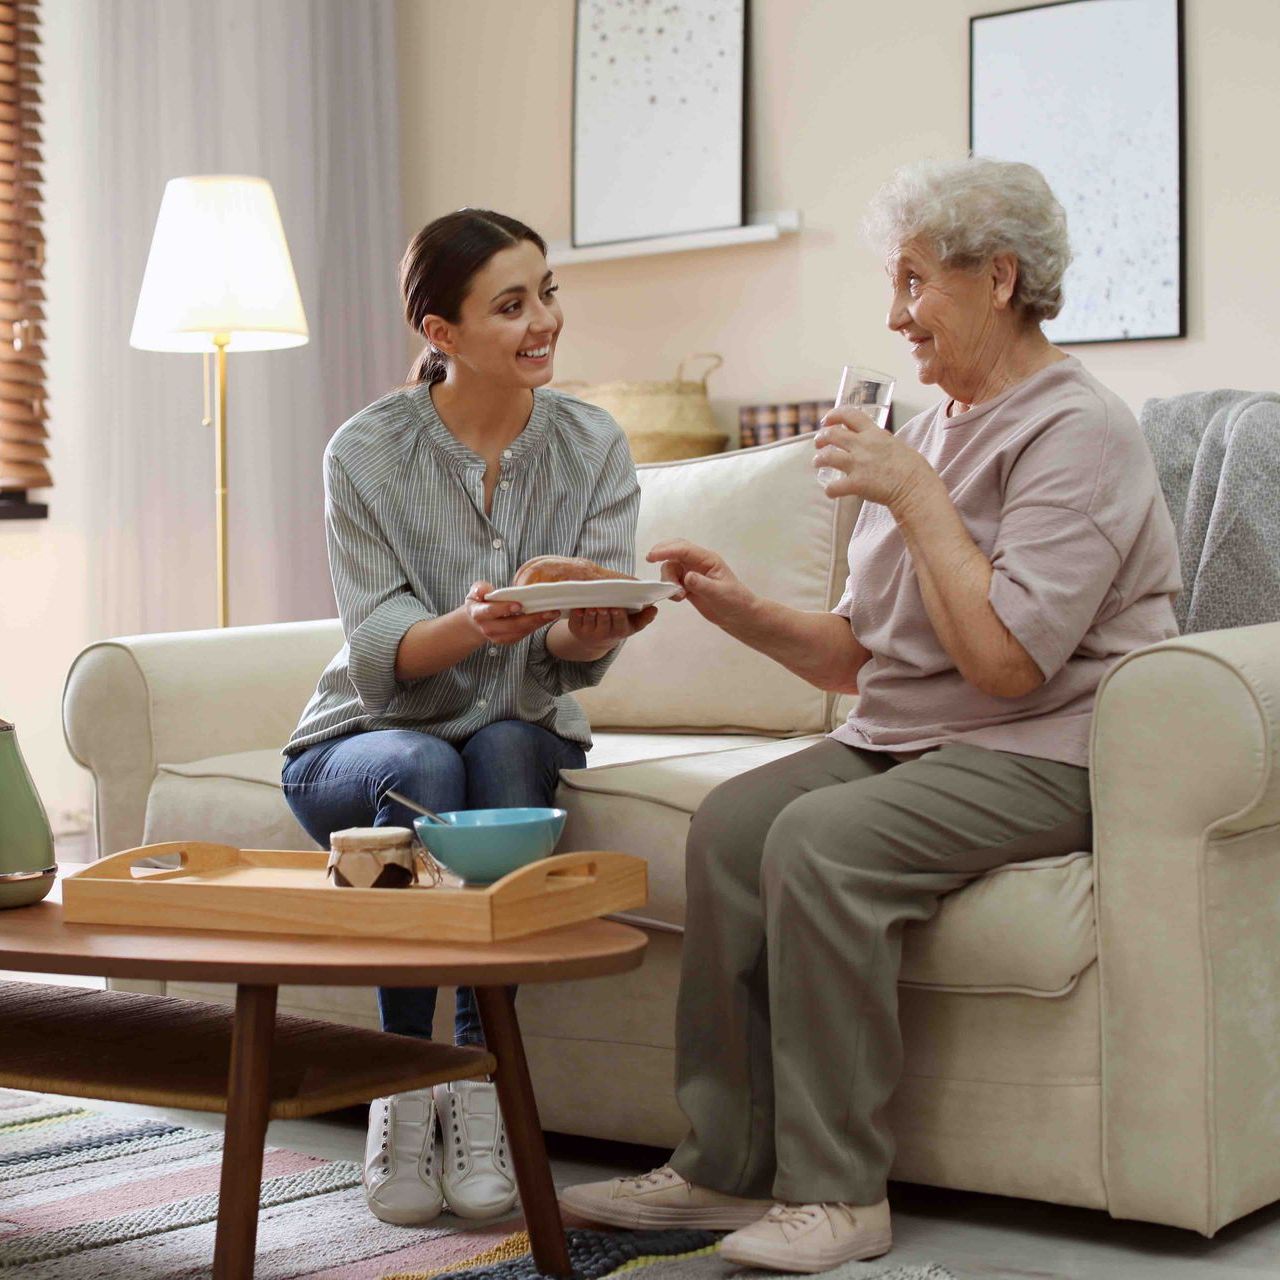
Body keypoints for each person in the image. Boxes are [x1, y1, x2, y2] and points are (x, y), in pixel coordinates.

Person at [561, 156, 1182, 1272]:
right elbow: (859, 653)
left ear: (997, 278)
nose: (893, 314)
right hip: (901, 738)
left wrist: (909, 493)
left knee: (821, 841)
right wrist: (739, 607)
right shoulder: (933, 427)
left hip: (1040, 749)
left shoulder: (1080, 431)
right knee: (734, 824)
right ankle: (717, 1165)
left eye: (912, 282)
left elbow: (1004, 665)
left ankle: (838, 1194)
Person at [282, 208, 653, 1226]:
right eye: (510, 304)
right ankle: (407, 1086)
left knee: (499, 746)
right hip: (356, 745)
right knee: (430, 767)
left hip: (513, 724)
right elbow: (380, 658)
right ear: (439, 332)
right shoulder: (366, 452)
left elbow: (569, 661)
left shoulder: (590, 443)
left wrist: (585, 627)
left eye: (547, 292)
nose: (544, 321)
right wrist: (477, 623)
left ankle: (478, 1086)